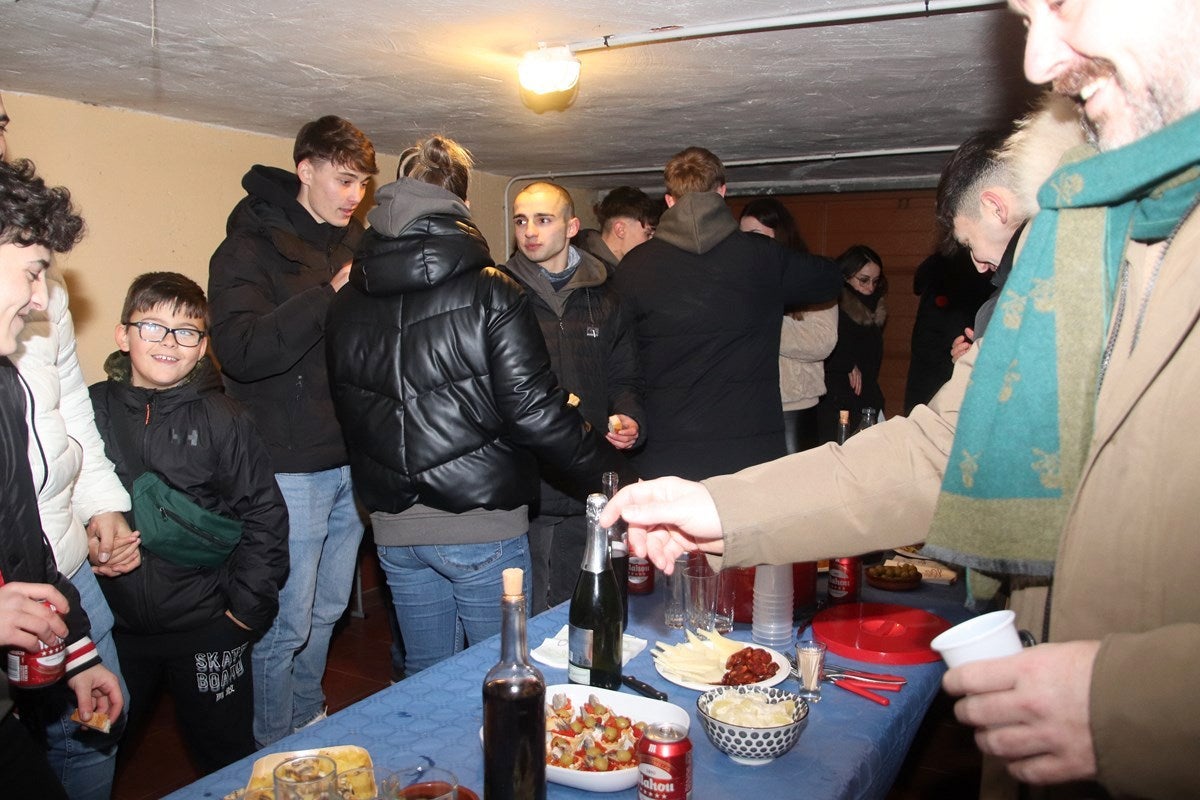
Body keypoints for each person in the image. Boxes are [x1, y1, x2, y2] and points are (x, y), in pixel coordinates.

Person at [601, 0, 1200, 795]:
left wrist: (1133, 702)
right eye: (1025, 20)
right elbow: (939, 448)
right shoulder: (1080, 239)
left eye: (1061, 4)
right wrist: (716, 506)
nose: (1036, 60)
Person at [326, 136, 622, 672]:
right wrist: (613, 475)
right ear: (460, 201)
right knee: (504, 676)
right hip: (479, 523)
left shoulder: (348, 298)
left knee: (426, 678)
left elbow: (351, 410)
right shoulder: (492, 290)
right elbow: (534, 411)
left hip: (394, 527)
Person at [207, 115, 377, 746]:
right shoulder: (246, 249)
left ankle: (307, 714)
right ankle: (272, 747)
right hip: (285, 465)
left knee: (330, 607)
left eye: (361, 183)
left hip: (348, 460)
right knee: (285, 621)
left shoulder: (353, 243)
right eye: (342, 179)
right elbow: (240, 351)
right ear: (305, 170)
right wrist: (329, 294)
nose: (353, 195)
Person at [89, 271, 288, 773]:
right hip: (114, 630)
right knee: (93, 752)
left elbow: (264, 516)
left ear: (203, 348)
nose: (169, 342)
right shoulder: (91, 410)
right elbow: (55, 498)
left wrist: (244, 615)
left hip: (207, 624)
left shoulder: (225, 419)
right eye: (152, 326)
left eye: (187, 331)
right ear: (123, 334)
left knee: (224, 756)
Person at [2, 89, 137, 800]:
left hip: (58, 564)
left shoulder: (36, 302)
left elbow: (68, 412)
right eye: (29, 276)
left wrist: (102, 501)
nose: (36, 298)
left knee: (89, 733)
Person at [614, 146, 842, 481]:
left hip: (666, 450)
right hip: (747, 454)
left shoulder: (634, 266)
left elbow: (621, 356)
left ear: (669, 201)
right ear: (722, 192)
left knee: (670, 535)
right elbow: (831, 279)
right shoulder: (762, 258)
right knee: (740, 535)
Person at [504, 180, 644, 610]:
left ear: (571, 227)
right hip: (527, 485)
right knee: (531, 607)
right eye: (521, 221)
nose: (530, 231)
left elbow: (625, 376)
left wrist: (629, 416)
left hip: (591, 483)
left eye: (543, 220)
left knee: (589, 603)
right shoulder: (498, 294)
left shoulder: (608, 298)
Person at [939, 95, 1085, 362]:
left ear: (995, 207)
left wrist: (980, 373)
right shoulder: (1084, 244)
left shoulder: (1015, 302)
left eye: (969, 243)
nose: (978, 266)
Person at [738, 198, 837, 454]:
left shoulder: (810, 275)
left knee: (792, 488)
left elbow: (821, 342)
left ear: (778, 235)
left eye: (756, 235)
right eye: (742, 236)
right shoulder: (737, 278)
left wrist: (762, 321)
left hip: (794, 406)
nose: (747, 243)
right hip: (747, 405)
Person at [815, 245, 887, 441]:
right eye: (863, 280)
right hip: (837, 404)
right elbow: (819, 346)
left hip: (866, 400)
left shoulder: (874, 311)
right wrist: (846, 363)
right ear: (846, 276)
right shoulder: (831, 306)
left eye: (875, 281)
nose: (870, 288)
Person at [571, 185, 661, 269]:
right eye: (648, 234)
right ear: (620, 230)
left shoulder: (628, 269)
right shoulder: (580, 270)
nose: (652, 241)